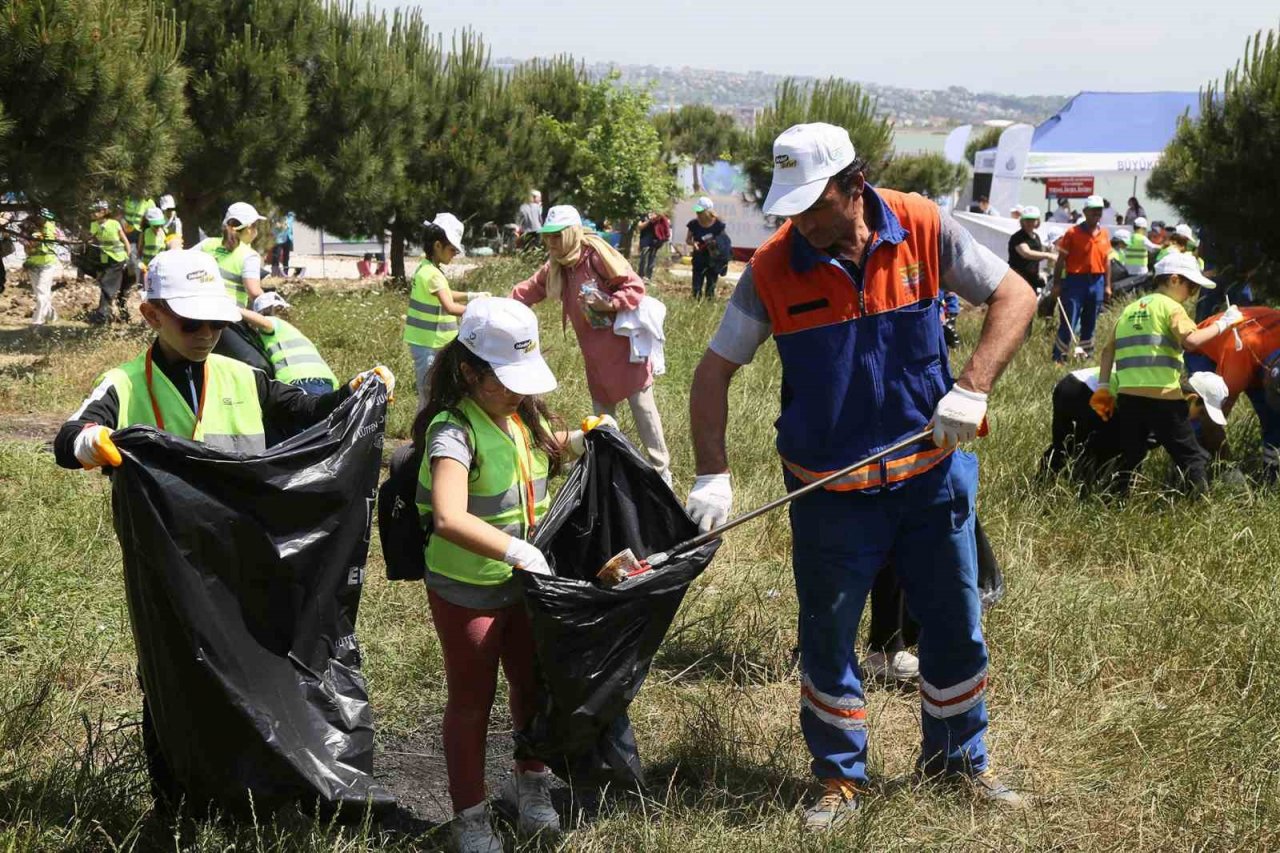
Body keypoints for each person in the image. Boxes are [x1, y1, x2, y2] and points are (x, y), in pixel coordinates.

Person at [687, 122, 1037, 829]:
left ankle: (959, 763)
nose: (802, 224)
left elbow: (1017, 296)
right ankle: (840, 780)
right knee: (827, 636)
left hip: (932, 481)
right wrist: (711, 474)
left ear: (856, 185)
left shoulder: (921, 225)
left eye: (815, 206)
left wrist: (972, 386)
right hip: (831, 498)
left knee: (955, 627)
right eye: (791, 209)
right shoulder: (773, 268)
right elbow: (712, 371)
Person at [53, 248, 393, 801]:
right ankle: (182, 801)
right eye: (191, 322)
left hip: (246, 553)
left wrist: (356, 394)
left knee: (256, 662)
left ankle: (259, 791)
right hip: (168, 562)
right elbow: (68, 439)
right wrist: (92, 442)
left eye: (216, 321)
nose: (206, 333)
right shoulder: (125, 383)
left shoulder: (244, 377)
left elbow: (312, 412)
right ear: (151, 315)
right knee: (174, 671)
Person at [416, 297, 613, 853]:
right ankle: (470, 818)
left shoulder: (521, 415)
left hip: (526, 589)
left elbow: (549, 453)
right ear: (469, 371)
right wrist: (515, 551)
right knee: (472, 700)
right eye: (506, 382)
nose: (520, 391)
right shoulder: (453, 432)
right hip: (469, 591)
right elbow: (451, 516)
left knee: (532, 687)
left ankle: (530, 785)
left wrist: (588, 438)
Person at [512, 204, 672, 484]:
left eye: (557, 235)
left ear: (572, 233)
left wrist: (609, 303)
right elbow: (531, 289)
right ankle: (607, 474)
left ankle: (662, 474)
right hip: (596, 357)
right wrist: (499, 306)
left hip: (624, 351)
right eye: (547, 236)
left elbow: (634, 287)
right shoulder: (557, 265)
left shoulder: (596, 255)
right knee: (602, 420)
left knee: (643, 411)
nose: (551, 242)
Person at [1087, 253, 1243, 495]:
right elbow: (1192, 341)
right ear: (1173, 280)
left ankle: (1116, 500)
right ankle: (1200, 506)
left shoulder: (1129, 310)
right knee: (1192, 456)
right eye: (1191, 286)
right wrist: (1224, 323)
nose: (1192, 294)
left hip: (1128, 396)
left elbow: (1108, 351)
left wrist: (1104, 387)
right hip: (1163, 396)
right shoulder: (1171, 308)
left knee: (1132, 454)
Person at [1186, 306, 1280, 480]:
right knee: (1200, 419)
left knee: (1275, 420)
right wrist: (1229, 470)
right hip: (1205, 350)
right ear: (1266, 379)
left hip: (1256, 356)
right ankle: (1194, 476)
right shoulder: (1238, 361)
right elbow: (1212, 421)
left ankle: (1272, 476)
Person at [406, 213, 485, 409]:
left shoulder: (425, 268)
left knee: (432, 393)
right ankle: (423, 436)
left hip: (426, 343)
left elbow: (446, 294)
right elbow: (449, 306)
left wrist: (473, 296)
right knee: (430, 395)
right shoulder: (433, 275)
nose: (454, 254)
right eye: (452, 249)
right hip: (430, 345)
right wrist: (479, 312)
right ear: (437, 245)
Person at [239, 292, 338, 395]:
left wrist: (235, 309)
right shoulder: (292, 331)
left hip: (300, 379)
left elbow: (265, 323)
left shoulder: (274, 323)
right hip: (326, 380)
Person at [1051, 194, 1111, 362]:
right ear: (1085, 211)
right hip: (1075, 282)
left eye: (1099, 211)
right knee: (1069, 321)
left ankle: (1085, 356)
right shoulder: (1072, 233)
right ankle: (1059, 358)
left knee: (1090, 322)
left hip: (1097, 282)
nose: (1096, 213)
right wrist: (1057, 284)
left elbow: (1107, 262)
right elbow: (1061, 261)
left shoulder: (1104, 234)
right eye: (1093, 210)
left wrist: (1107, 286)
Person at [198, 202, 266, 310]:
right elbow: (254, 292)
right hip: (231, 317)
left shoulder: (207, 244)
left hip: (201, 309)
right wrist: (270, 303)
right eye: (255, 226)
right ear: (249, 228)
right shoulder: (250, 256)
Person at [88, 200, 131, 324]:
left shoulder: (114, 223)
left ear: (104, 212)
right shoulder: (94, 225)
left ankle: (102, 315)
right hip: (105, 259)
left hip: (117, 258)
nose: (93, 214)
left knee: (107, 285)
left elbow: (124, 239)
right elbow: (91, 239)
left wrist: (127, 254)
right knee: (105, 284)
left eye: (96, 211)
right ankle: (107, 313)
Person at [686, 196, 727, 300]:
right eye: (697, 210)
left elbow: (724, 241)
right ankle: (696, 306)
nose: (698, 213)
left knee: (710, 287)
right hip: (698, 258)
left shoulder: (718, 225)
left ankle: (709, 305)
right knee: (696, 287)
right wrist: (693, 243)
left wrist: (715, 243)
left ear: (707, 211)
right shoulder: (693, 224)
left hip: (713, 259)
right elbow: (688, 239)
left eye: (700, 211)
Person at [22, 209, 59, 325]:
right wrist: (29, 243)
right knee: (41, 294)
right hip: (32, 264)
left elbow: (58, 239)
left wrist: (40, 239)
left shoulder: (52, 228)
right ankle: (51, 314)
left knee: (42, 293)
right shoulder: (28, 227)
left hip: (47, 264)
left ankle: (37, 321)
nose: (42, 221)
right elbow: (25, 245)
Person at [1006, 205, 1056, 288]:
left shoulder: (1036, 236)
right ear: (1022, 221)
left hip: (1032, 278)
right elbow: (1026, 253)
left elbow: (1038, 253)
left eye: (1033, 220)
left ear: (1038, 221)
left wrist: (1048, 251)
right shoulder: (1018, 237)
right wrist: (1048, 255)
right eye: (1027, 220)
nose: (1030, 223)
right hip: (1018, 278)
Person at [635, 210, 670, 280]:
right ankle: (641, 276)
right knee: (643, 258)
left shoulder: (661, 218)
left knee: (651, 259)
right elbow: (640, 226)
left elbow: (666, 230)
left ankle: (648, 277)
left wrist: (663, 239)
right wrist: (650, 220)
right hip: (645, 241)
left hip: (655, 241)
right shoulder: (644, 216)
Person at [138, 207, 174, 271]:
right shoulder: (144, 232)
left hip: (161, 266)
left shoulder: (165, 232)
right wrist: (140, 263)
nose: (158, 228)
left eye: (159, 225)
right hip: (147, 267)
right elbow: (140, 249)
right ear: (149, 222)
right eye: (155, 226)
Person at [271, 212, 294, 278]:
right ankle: (275, 274)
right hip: (278, 238)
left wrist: (286, 225)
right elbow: (273, 222)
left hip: (288, 238)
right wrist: (279, 225)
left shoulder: (290, 214)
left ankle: (285, 273)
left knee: (286, 257)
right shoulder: (275, 212)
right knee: (276, 256)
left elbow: (290, 224)